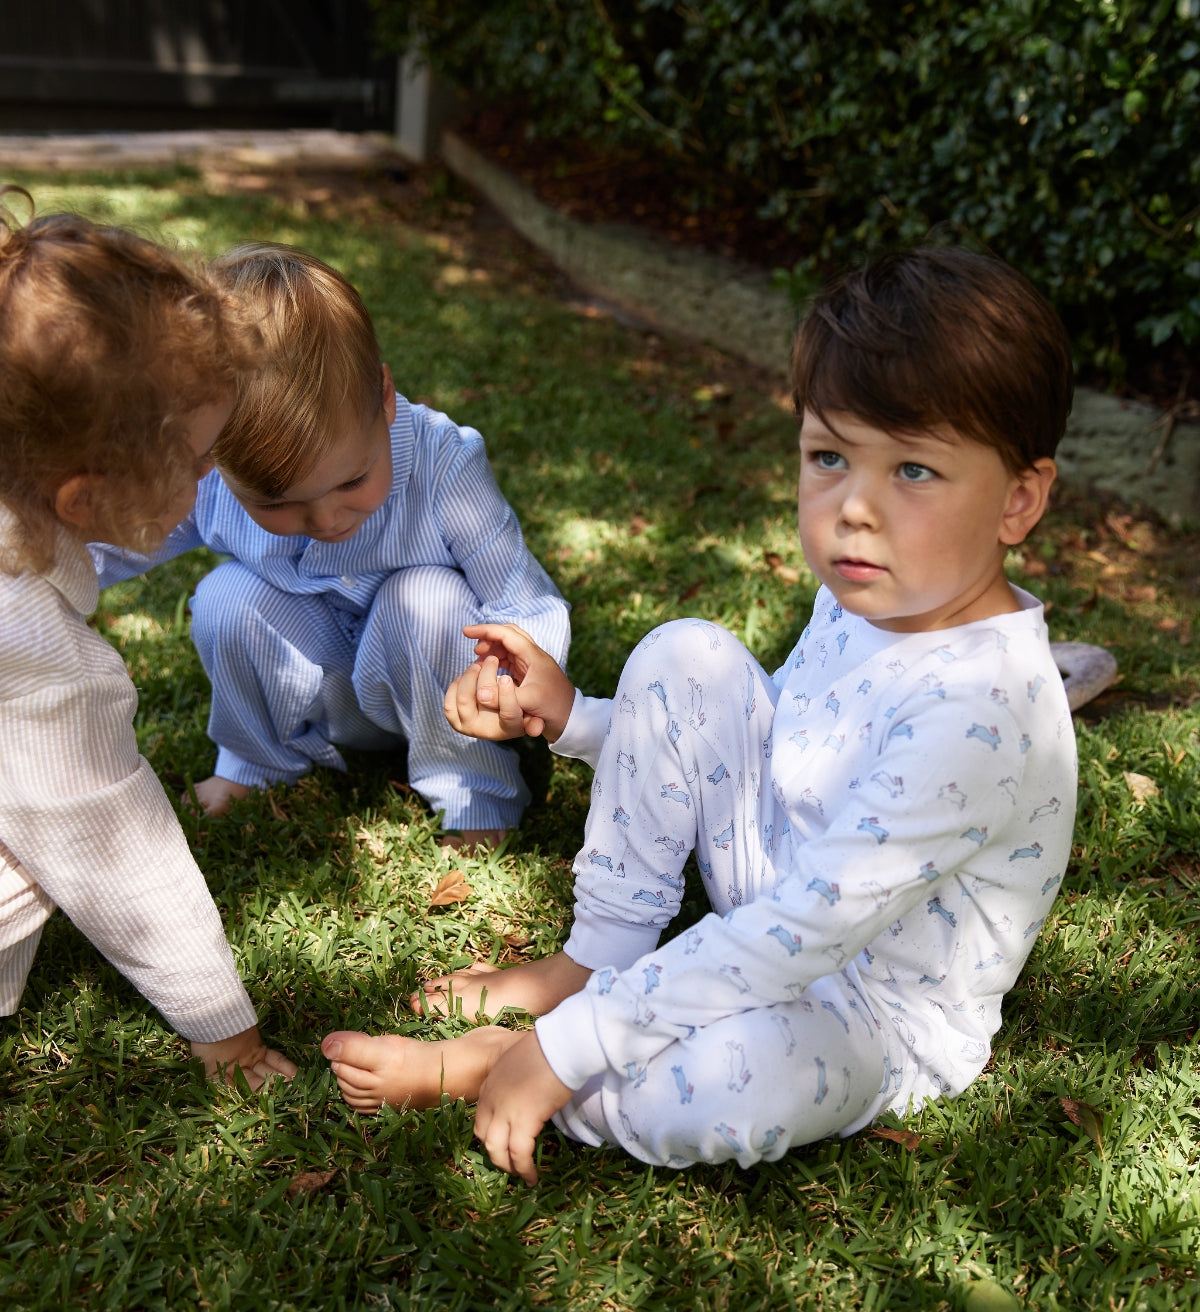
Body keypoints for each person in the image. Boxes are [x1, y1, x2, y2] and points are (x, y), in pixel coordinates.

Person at [322, 244, 1079, 1182]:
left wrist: (568, 1051)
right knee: (687, 650)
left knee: (729, 1086)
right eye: (830, 457)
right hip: (775, 884)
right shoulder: (874, 593)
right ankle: (592, 963)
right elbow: (769, 751)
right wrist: (577, 720)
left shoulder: (979, 712)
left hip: (870, 1013)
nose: (856, 509)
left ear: (1019, 500)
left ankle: (510, 1058)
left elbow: (811, 929)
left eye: (915, 471)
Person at [90, 244, 570, 849]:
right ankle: (255, 763)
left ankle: (474, 795)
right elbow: (113, 542)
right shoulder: (207, 477)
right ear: (210, 451)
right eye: (275, 502)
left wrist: (506, 684)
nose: (325, 517)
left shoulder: (444, 464)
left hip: (439, 694)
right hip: (322, 686)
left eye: (351, 481)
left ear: (384, 398)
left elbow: (525, 602)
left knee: (425, 596)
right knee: (225, 597)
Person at [0, 197, 295, 1089]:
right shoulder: (43, 660)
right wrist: (226, 1032)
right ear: (86, 499)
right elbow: (116, 850)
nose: (215, 475)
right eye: (200, 462)